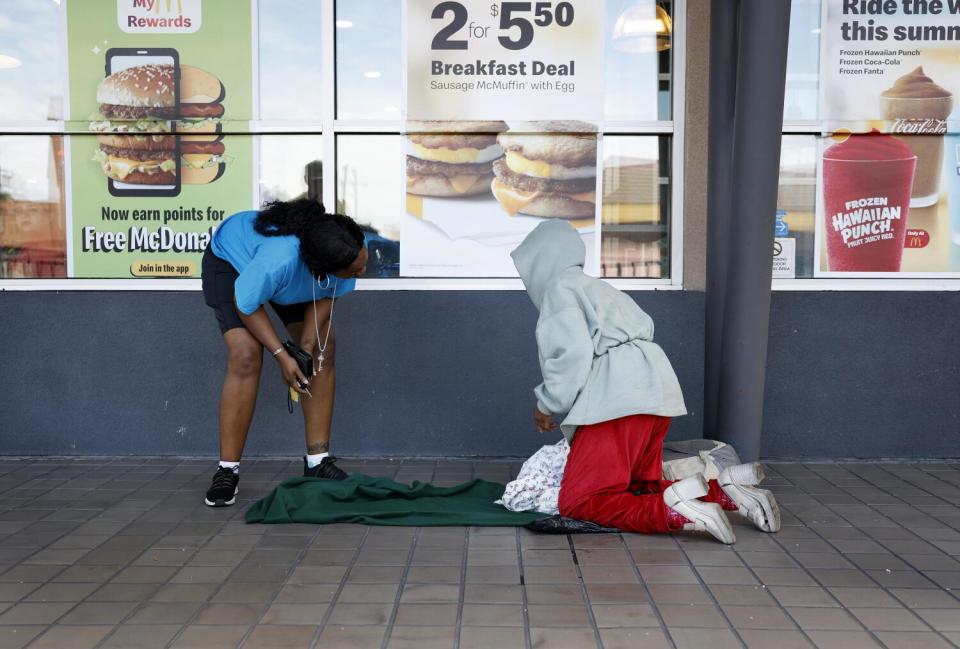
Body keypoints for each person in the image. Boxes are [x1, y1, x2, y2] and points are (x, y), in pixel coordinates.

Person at [510, 220, 780, 543]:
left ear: (541, 264)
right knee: (637, 486)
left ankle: (675, 513)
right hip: (656, 390)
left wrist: (547, 404)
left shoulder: (559, 290)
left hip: (617, 399)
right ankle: (728, 495)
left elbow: (572, 355)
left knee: (580, 501)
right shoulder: (597, 288)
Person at [200, 199, 368, 507]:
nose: (363, 269)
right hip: (233, 264)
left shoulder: (348, 245)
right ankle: (227, 470)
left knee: (321, 349)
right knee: (246, 353)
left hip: (295, 275)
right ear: (323, 266)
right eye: (357, 269)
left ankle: (318, 462)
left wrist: (303, 348)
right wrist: (281, 355)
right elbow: (247, 304)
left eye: (362, 263)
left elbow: (328, 292)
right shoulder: (278, 262)